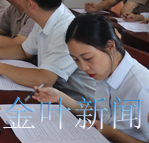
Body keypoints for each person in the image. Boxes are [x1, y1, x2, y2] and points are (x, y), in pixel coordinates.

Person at [33, 14, 149, 143]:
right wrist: (61, 98)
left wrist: (113, 134)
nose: (84, 67)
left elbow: (110, 127)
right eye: (75, 60)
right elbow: (106, 115)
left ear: (110, 46)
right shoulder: (106, 70)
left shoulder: (142, 89)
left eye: (88, 58)